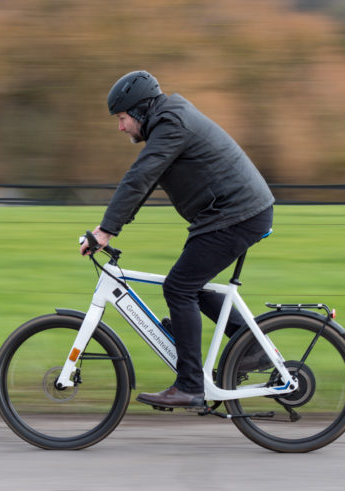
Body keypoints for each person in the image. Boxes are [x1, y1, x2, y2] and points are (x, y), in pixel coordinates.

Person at [79, 70, 275, 409]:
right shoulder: (169, 122)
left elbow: (138, 178)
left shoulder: (172, 124)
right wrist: (112, 226)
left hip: (237, 215)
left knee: (178, 288)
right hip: (231, 214)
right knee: (189, 285)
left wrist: (105, 231)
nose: (120, 127)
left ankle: (190, 386)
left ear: (140, 111)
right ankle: (251, 347)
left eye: (123, 118)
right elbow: (145, 182)